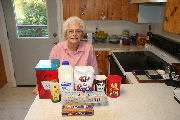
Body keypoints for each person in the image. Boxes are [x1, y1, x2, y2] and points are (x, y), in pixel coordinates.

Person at [33, 16, 99, 95]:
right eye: (71, 31)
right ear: (65, 34)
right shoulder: (57, 49)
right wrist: (40, 85)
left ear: (82, 35)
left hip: (83, 89)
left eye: (78, 31)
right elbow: (49, 72)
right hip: (63, 89)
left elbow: (95, 71)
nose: (74, 34)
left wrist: (97, 85)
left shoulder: (89, 48)